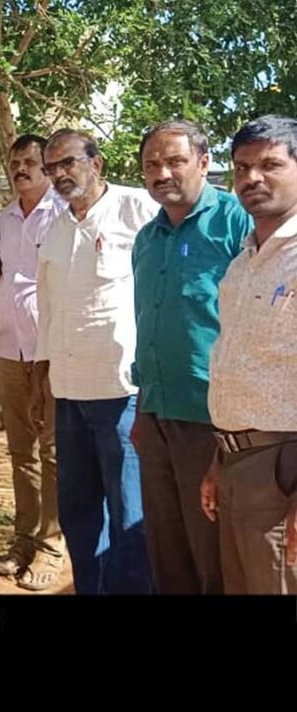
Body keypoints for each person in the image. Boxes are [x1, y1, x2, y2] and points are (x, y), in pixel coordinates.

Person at [131, 119, 250, 594]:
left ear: (204, 163)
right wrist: (142, 410)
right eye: (151, 165)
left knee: (214, 554)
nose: (163, 173)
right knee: (166, 548)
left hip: (213, 419)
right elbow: (147, 326)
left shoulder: (236, 222)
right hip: (156, 413)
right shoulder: (147, 238)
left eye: (175, 161)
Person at [36, 129, 155, 594]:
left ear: (96, 163)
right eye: (52, 168)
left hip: (121, 391)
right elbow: (48, 306)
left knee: (129, 514)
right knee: (78, 511)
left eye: (68, 163)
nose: (60, 175)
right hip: (68, 391)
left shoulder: (138, 210)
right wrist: (46, 373)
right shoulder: (56, 227)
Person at [202, 115, 297, 594]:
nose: (252, 178)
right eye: (241, 167)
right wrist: (220, 461)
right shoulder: (243, 262)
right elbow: (236, 364)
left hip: (284, 469)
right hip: (237, 462)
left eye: (270, 165)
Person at [0, 134, 68, 590]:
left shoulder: (63, 214)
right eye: (15, 161)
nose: (21, 168)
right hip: (9, 349)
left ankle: (52, 546)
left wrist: (51, 354)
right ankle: (24, 538)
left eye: (30, 162)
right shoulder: (3, 219)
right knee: (20, 451)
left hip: (50, 351)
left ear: (46, 167)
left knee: (52, 451)